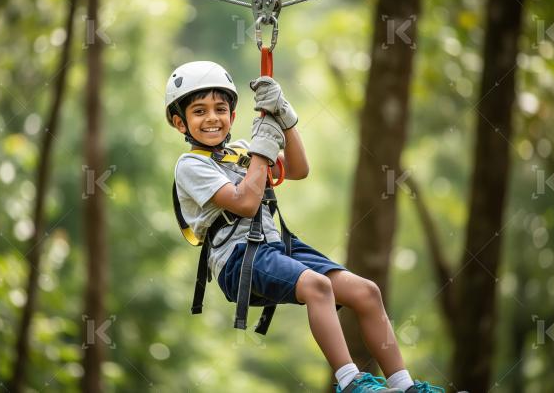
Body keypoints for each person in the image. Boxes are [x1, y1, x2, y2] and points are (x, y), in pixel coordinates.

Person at [167, 61, 442, 393]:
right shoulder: (191, 165)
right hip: (238, 258)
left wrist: (283, 117)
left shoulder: (240, 151)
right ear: (180, 122)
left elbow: (298, 169)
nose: (212, 117)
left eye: (220, 108)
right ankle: (352, 382)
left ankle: (405, 386)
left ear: (233, 116)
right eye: (200, 111)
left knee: (366, 292)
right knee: (317, 287)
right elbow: (245, 202)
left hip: (276, 243)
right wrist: (263, 147)